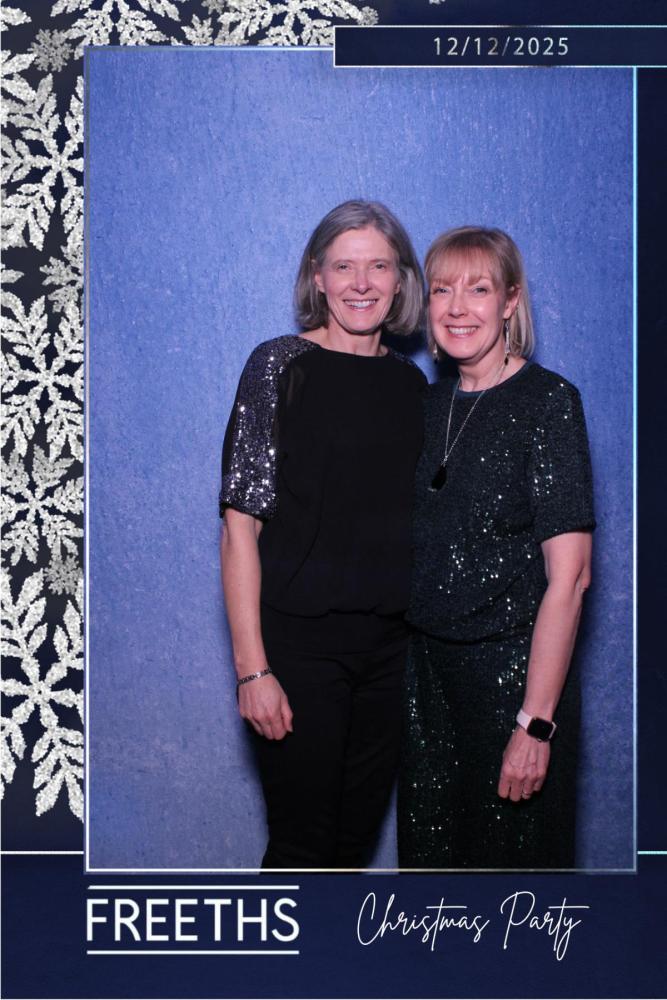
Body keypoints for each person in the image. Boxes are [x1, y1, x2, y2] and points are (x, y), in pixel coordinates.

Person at [219, 200, 426, 869]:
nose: (361, 283)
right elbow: (239, 529)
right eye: (343, 267)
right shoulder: (279, 366)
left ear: (400, 279)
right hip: (298, 650)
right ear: (317, 276)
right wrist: (253, 670)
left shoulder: (411, 384)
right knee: (303, 846)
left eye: (378, 266)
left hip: (390, 656)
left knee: (352, 845)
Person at [398, 226, 595, 869]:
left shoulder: (549, 403)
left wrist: (535, 723)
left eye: (478, 289)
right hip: (425, 689)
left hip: (512, 686)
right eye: (442, 290)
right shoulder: (426, 405)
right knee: (430, 891)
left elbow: (571, 580)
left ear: (510, 301)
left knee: (514, 891)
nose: (457, 308)